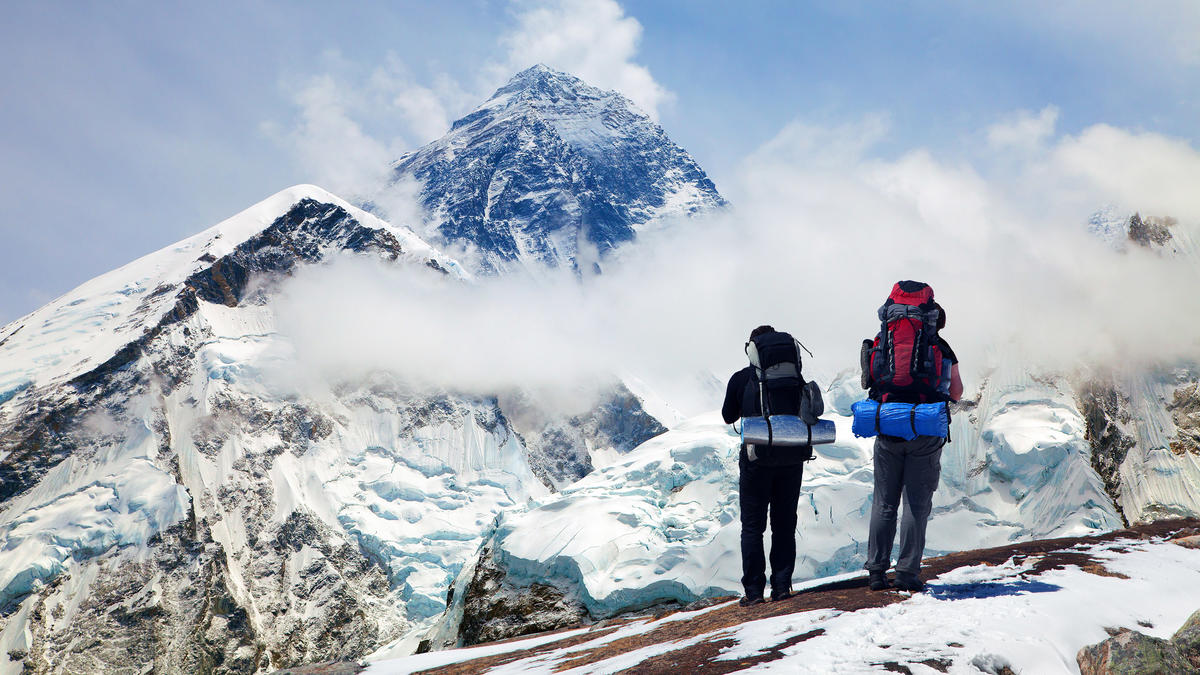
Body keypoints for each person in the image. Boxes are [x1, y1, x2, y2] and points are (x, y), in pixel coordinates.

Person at [861, 281, 963, 592]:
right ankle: (906, 573)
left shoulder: (882, 342)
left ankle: (877, 572)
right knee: (916, 505)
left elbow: (869, 381)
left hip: (889, 427)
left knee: (884, 502)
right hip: (925, 430)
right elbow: (956, 392)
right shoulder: (941, 348)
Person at [721, 325, 810, 606]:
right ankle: (782, 586)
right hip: (791, 458)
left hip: (756, 460)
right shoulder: (794, 378)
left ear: (752, 349)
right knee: (784, 523)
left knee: (752, 527)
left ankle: (754, 593)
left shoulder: (741, 379)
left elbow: (727, 416)